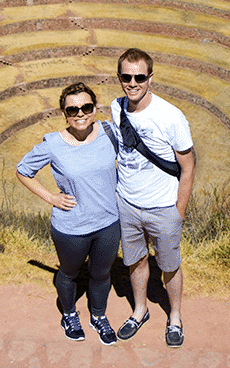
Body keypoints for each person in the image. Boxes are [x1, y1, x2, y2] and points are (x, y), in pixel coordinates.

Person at [16, 82, 121, 345]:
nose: (80, 113)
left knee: (101, 274)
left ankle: (98, 316)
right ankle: (70, 314)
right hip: (72, 227)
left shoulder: (109, 132)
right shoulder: (53, 143)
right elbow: (23, 170)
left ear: (95, 108)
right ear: (64, 113)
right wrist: (51, 197)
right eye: (72, 109)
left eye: (86, 107)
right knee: (68, 273)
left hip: (109, 222)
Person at [111, 48, 195, 348]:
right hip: (128, 204)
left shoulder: (171, 116)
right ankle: (140, 310)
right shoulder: (116, 108)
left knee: (169, 265)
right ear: (119, 77)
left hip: (163, 207)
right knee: (135, 261)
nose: (133, 83)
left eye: (139, 77)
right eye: (126, 77)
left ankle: (174, 317)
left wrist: (178, 212)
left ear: (150, 78)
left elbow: (188, 166)